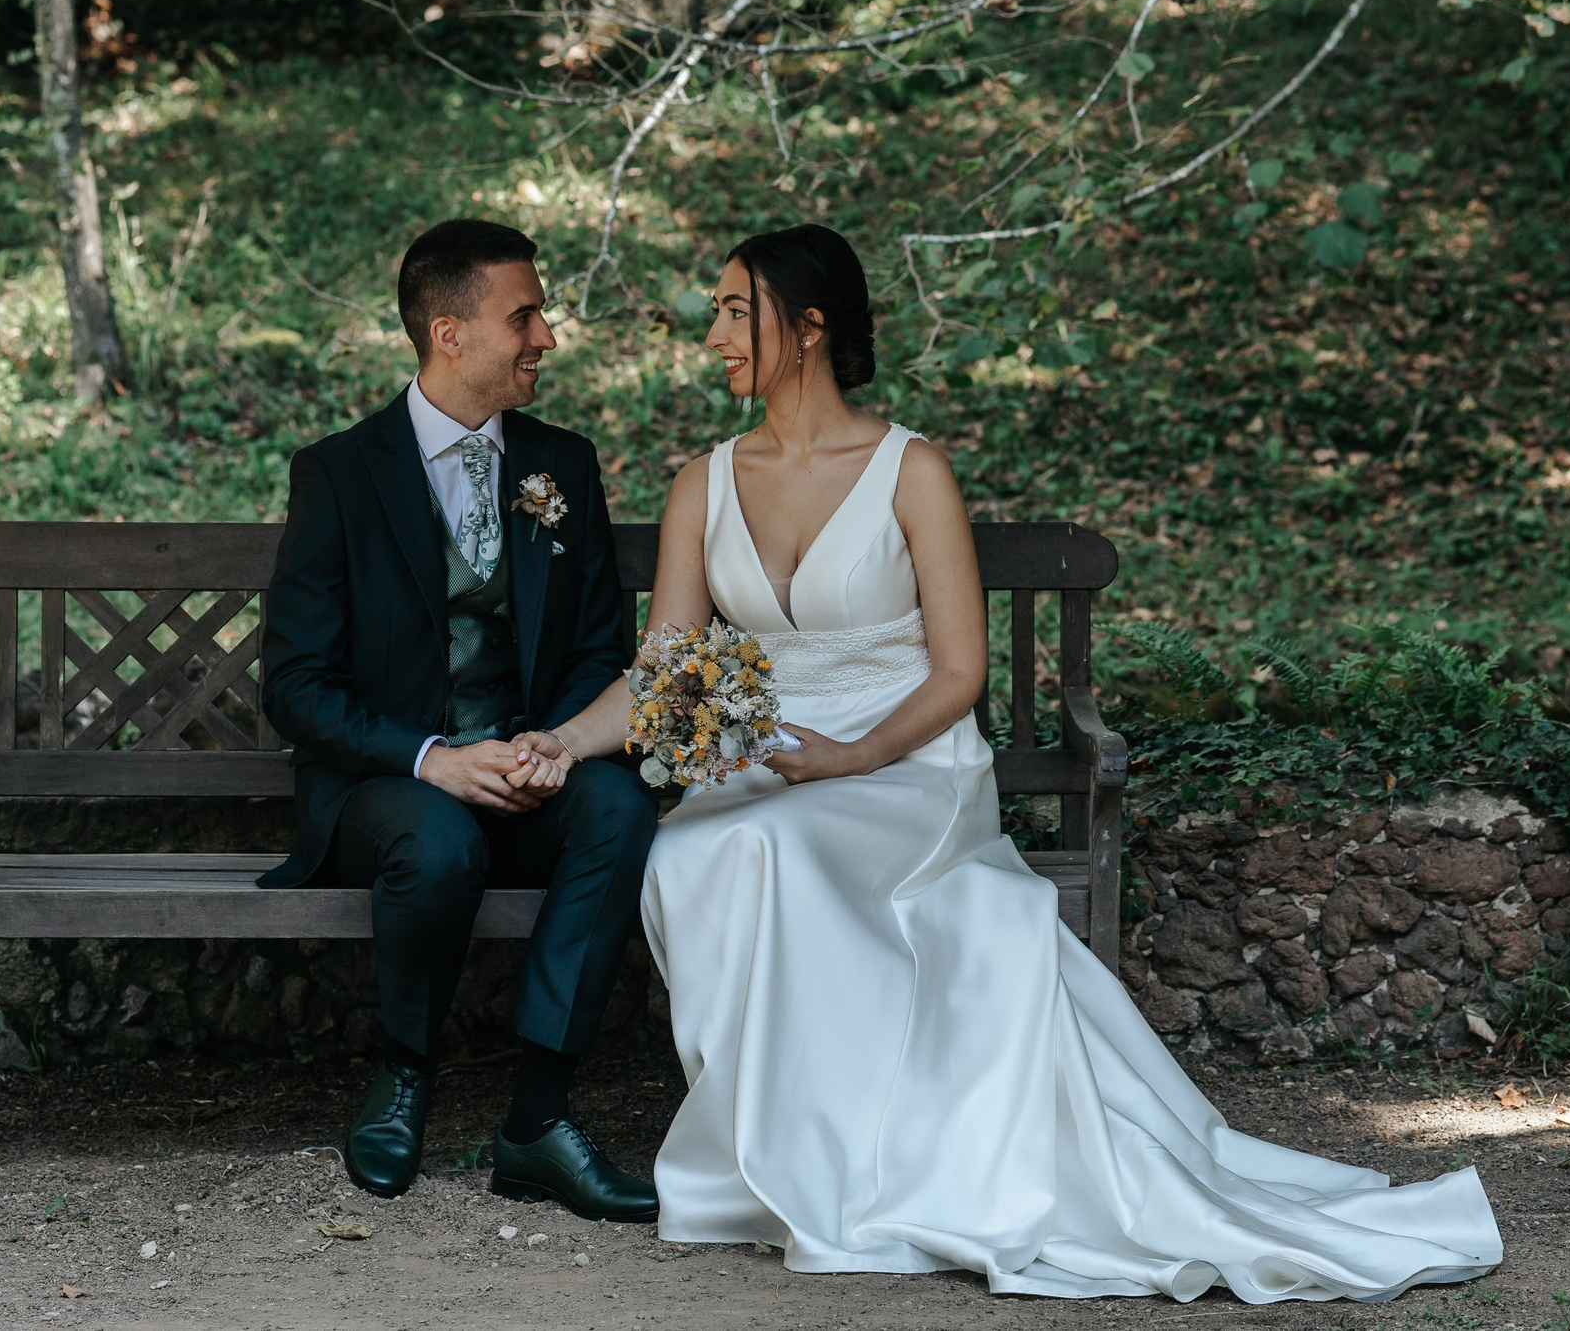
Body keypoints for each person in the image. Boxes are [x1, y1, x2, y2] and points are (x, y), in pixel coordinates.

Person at [511, 224, 1504, 1299]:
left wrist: (853, 755)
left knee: (764, 846)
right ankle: (797, 1151)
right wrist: (559, 742)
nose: (713, 334)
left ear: (811, 327)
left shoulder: (910, 471)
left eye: (735, 310)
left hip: (904, 764)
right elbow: (665, 670)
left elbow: (959, 672)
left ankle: (850, 1166)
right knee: (693, 853)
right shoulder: (704, 482)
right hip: (773, 763)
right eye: (716, 311)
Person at [255, 218, 656, 1222]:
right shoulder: (340, 473)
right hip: (388, 787)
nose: (545, 337)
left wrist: (547, 745)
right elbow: (296, 684)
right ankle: (403, 1074)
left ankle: (539, 1117)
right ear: (450, 333)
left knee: (618, 807)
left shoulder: (563, 465)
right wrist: (432, 757)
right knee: (438, 843)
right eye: (524, 317)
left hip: (526, 768)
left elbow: (598, 648)